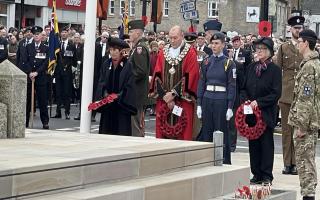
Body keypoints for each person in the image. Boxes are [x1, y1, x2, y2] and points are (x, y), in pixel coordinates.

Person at [240, 37, 282, 184]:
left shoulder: (274, 70)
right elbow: (244, 88)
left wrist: (259, 102)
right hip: (251, 114)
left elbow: (275, 93)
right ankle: (256, 173)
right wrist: (246, 100)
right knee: (254, 145)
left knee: (266, 145)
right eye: (258, 49)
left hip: (265, 114)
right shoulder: (251, 67)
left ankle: (266, 175)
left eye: (262, 49)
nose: (259, 52)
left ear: (270, 52)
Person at [149, 25, 199, 140]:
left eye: (175, 38)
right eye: (170, 37)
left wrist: (173, 94)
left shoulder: (190, 52)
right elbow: (157, 73)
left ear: (182, 36)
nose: (172, 40)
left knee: (183, 132)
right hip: (164, 99)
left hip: (182, 100)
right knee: (163, 132)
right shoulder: (163, 51)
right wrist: (164, 95)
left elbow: (191, 75)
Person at [288, 29, 320, 200]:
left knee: (304, 162)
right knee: (307, 160)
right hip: (310, 122)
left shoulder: (309, 66)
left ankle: (308, 195)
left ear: (306, 43)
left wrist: (301, 125)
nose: (297, 44)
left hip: (305, 125)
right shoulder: (314, 63)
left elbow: (305, 98)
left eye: (299, 41)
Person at [197, 32, 236, 164]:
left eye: (217, 43)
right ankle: (207, 160)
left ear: (223, 45)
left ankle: (224, 160)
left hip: (221, 100)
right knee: (207, 130)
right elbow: (202, 83)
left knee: (221, 131)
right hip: (208, 98)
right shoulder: (207, 61)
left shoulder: (228, 63)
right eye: (212, 43)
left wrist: (230, 107)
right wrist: (199, 103)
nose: (214, 46)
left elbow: (232, 86)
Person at [275, 10, 304, 175]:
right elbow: (277, 71)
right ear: (290, 30)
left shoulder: (305, 47)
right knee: (286, 131)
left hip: (300, 96)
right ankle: (288, 163)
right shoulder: (284, 47)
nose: (297, 31)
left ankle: (297, 163)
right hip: (286, 95)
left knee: (299, 131)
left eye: (299, 27)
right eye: (295, 28)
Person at [95, 37, 137, 135]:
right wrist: (105, 94)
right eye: (111, 50)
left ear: (121, 51)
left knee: (121, 133)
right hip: (108, 107)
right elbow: (101, 81)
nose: (112, 52)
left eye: (115, 50)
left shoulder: (128, 65)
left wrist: (118, 96)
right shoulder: (106, 64)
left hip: (121, 107)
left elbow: (130, 85)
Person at [128, 20, 150, 137]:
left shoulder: (139, 48)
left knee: (136, 125)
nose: (129, 34)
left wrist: (127, 77)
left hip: (137, 92)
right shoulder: (137, 47)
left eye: (131, 31)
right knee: (135, 123)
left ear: (137, 32)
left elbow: (141, 71)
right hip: (136, 92)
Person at [25, 26, 49, 129]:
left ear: (41, 35)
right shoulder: (28, 47)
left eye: (38, 33)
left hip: (41, 77)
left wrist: (37, 72)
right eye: (34, 33)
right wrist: (30, 72)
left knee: (42, 101)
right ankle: (25, 121)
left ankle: (45, 122)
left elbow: (46, 63)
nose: (36, 35)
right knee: (28, 101)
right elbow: (25, 61)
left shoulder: (46, 48)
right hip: (30, 77)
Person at [52, 26, 77, 119]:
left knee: (67, 93)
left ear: (68, 34)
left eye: (65, 32)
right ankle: (58, 112)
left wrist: (70, 67)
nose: (63, 34)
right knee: (58, 93)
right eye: (62, 32)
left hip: (67, 73)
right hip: (58, 72)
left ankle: (67, 112)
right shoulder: (57, 45)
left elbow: (74, 60)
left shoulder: (71, 45)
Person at [92, 31, 110, 122]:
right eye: (103, 37)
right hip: (95, 72)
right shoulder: (95, 46)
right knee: (93, 93)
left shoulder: (109, 48)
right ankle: (91, 113)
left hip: (104, 73)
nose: (105, 39)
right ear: (101, 37)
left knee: (99, 95)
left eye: (107, 38)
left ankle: (95, 113)